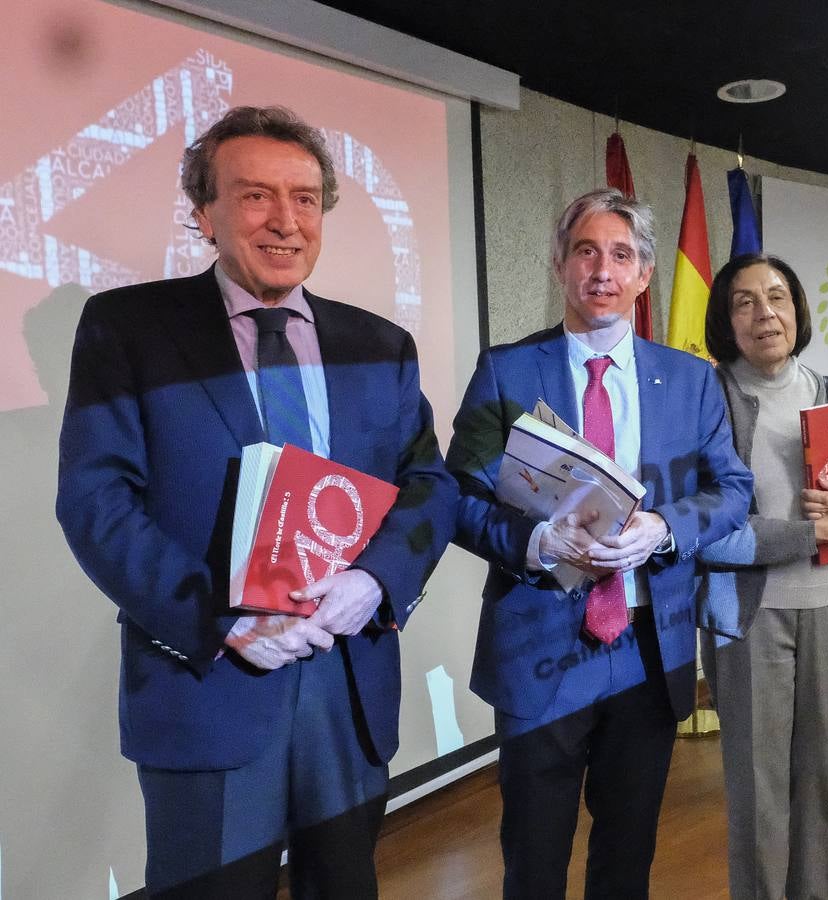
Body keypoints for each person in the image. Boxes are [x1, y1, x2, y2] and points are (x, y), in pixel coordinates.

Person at [55, 105, 458, 898]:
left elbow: (428, 485)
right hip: (208, 687)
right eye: (254, 196)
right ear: (204, 211)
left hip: (349, 686)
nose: (285, 221)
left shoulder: (380, 346)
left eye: (305, 198)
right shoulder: (127, 328)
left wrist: (374, 581)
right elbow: (96, 501)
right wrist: (220, 617)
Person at [446, 188, 753, 900]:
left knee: (627, 854)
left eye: (621, 255)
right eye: (586, 251)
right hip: (538, 644)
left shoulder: (691, 379)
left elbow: (733, 490)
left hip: (646, 648)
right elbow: (457, 496)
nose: (602, 271)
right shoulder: (506, 371)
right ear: (559, 264)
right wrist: (539, 542)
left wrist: (665, 529)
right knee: (533, 855)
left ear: (646, 274)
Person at [694, 252, 828, 899]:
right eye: (744, 302)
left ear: (798, 310)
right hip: (748, 618)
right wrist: (814, 532)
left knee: (822, 784)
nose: (764, 313)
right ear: (727, 319)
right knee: (758, 794)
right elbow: (709, 533)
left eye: (776, 297)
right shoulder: (707, 401)